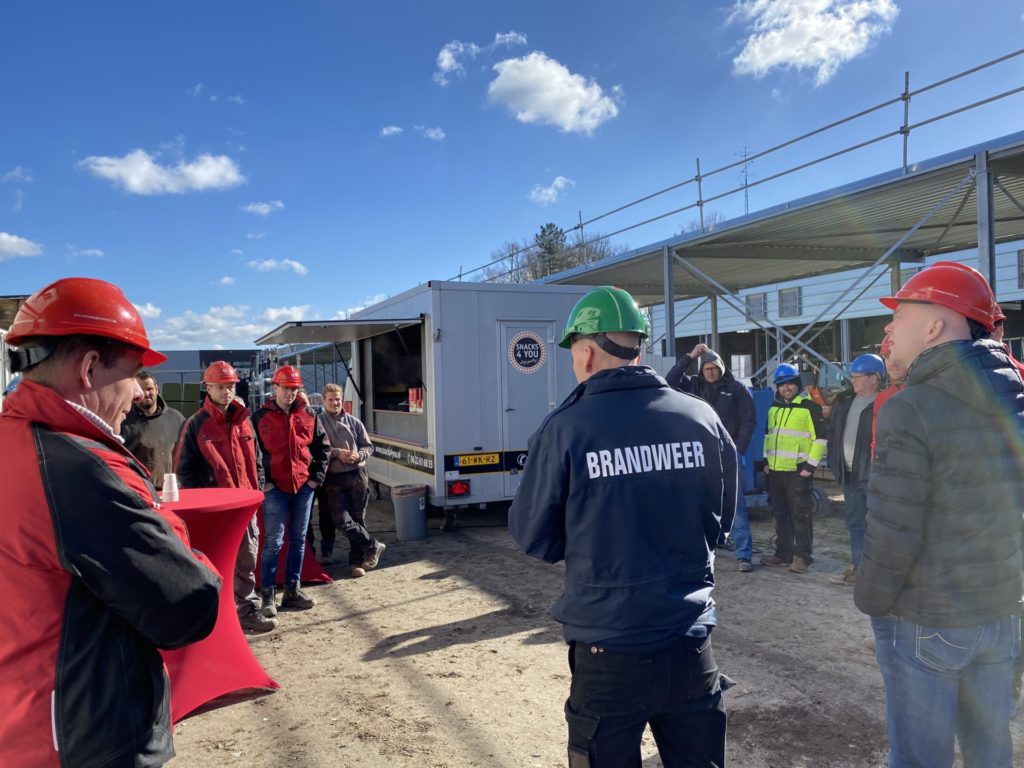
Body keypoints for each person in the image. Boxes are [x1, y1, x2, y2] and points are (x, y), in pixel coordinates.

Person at [509, 286, 736, 768]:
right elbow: (721, 523)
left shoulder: (566, 428)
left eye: (573, 352)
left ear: (587, 351)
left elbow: (534, 536)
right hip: (689, 643)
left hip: (607, 647)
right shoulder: (702, 417)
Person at [0, 277, 220, 766]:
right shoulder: (79, 469)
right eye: (135, 374)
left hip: (29, 721)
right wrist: (176, 535)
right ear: (90, 367)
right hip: (91, 737)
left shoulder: (14, 442)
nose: (138, 393)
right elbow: (188, 605)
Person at [854, 262, 1024, 767]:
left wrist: (872, 601)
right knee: (990, 747)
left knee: (919, 757)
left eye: (899, 316)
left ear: (934, 326)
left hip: (931, 617)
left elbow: (893, 529)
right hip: (1000, 611)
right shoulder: (1014, 396)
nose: (887, 329)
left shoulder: (913, 406)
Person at [176, 361, 276, 633]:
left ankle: (246, 611)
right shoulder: (195, 425)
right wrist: (203, 507)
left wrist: (257, 492)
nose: (227, 391)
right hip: (216, 512)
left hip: (245, 506)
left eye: (230, 386)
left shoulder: (244, 421)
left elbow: (256, 461)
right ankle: (218, 618)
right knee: (216, 562)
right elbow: (184, 472)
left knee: (247, 559)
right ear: (208, 387)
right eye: (221, 386)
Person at [666, 342, 757, 571]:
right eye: (706, 368)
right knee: (698, 504)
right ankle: (704, 550)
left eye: (714, 367)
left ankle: (744, 555)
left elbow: (749, 421)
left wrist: (737, 449)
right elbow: (669, 381)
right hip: (699, 456)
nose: (711, 371)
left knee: (735, 506)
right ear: (701, 370)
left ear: (722, 367)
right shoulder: (693, 386)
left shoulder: (737, 389)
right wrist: (690, 356)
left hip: (727, 457)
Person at [253, 364, 329, 617]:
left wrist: (314, 481)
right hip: (275, 490)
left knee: (298, 541)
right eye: (285, 388)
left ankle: (293, 591)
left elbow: (323, 449)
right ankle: (268, 594)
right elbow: (255, 454)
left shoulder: (309, 415)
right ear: (275, 387)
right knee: (273, 543)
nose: (290, 393)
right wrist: (265, 483)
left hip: (303, 489)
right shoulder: (260, 417)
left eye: (294, 389)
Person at [760, 363, 826, 574]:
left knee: (800, 516)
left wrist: (809, 467)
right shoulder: (773, 408)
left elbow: (821, 439)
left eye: (789, 384)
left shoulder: (809, 407)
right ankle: (783, 554)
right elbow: (768, 437)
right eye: (781, 385)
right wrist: (766, 463)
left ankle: (802, 557)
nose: (786, 389)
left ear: (797, 384)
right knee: (779, 514)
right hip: (776, 471)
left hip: (798, 472)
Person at [825, 353, 884, 586]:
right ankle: (859, 568)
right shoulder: (844, 402)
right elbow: (833, 434)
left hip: (873, 477)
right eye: (853, 377)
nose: (854, 381)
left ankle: (876, 573)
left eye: (859, 377)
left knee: (876, 526)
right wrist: (833, 462)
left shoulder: (884, 403)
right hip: (849, 474)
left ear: (875, 378)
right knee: (855, 523)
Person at [318, 383, 385, 577]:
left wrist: (359, 455)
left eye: (337, 399)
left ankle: (356, 562)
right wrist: (336, 453)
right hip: (333, 478)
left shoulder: (354, 422)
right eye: (330, 399)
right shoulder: (318, 423)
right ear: (323, 401)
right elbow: (314, 449)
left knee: (358, 518)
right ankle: (372, 545)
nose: (334, 403)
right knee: (340, 520)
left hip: (357, 475)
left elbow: (368, 446)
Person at [121, 369, 185, 489]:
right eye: (141, 390)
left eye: (149, 389)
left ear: (157, 389)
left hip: (171, 492)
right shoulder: (123, 421)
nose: (146, 394)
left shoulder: (176, 418)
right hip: (138, 493)